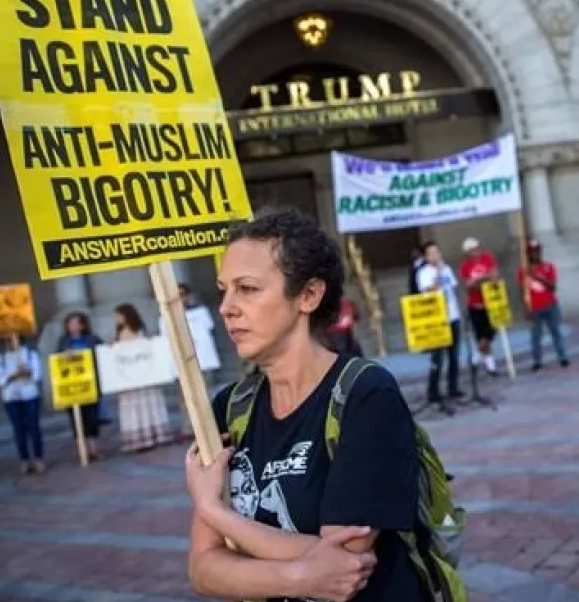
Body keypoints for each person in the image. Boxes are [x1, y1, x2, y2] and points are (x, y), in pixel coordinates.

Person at [184, 209, 422, 601]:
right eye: (224, 288)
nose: (226, 307)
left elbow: (347, 565)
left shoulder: (365, 395)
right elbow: (203, 569)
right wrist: (299, 575)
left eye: (247, 288)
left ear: (308, 295)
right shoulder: (230, 408)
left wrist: (215, 512)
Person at [113, 304, 173, 453]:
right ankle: (139, 438)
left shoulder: (142, 331)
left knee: (147, 403)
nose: (116, 319)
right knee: (133, 407)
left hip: (145, 376)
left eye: (118, 315)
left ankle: (154, 434)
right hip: (130, 379)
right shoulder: (118, 334)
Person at [417, 241, 464, 406]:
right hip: (437, 321)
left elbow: (453, 287)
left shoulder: (447, 269)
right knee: (438, 357)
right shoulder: (424, 273)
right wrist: (437, 272)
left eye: (437, 252)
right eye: (431, 253)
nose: (435, 256)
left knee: (454, 356)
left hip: (452, 316)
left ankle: (453, 387)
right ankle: (434, 391)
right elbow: (429, 292)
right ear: (426, 256)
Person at [0, 335, 45, 475]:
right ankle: (24, 459)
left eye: (12, 340)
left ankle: (38, 458)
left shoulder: (29, 354)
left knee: (34, 428)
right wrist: (12, 376)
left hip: (29, 396)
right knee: (18, 430)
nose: (9, 343)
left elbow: (38, 375)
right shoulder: (1, 359)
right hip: (11, 398)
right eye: (7, 340)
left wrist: (28, 373)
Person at [57, 312, 103, 462]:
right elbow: (57, 361)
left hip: (90, 384)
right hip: (71, 387)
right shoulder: (63, 342)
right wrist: (65, 355)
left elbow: (102, 354)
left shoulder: (92, 340)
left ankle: (94, 448)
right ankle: (81, 449)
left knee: (92, 418)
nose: (73, 326)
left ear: (83, 325)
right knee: (76, 420)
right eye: (70, 323)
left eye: (76, 323)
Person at [519, 238, 569, 371]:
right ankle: (537, 360)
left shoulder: (548, 267)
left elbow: (552, 286)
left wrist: (537, 276)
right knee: (536, 335)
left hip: (550, 304)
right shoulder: (523, 271)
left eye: (537, 251)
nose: (536, 254)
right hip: (534, 308)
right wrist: (526, 308)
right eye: (533, 251)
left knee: (556, 332)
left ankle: (562, 356)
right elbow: (522, 291)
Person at [158, 282, 222, 380]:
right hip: (181, 364)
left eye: (182, 295)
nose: (180, 299)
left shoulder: (200, 311)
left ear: (188, 296)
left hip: (203, 361)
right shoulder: (165, 319)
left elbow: (210, 330)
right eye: (176, 296)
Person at [458, 237, 500, 375]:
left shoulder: (487, 257)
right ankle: (490, 364)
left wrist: (478, 280)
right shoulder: (465, 266)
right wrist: (483, 279)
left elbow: (494, 277)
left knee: (490, 333)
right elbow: (468, 286)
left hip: (490, 302)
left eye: (476, 248)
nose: (475, 251)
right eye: (471, 250)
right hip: (475, 305)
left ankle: (476, 356)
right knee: (481, 335)